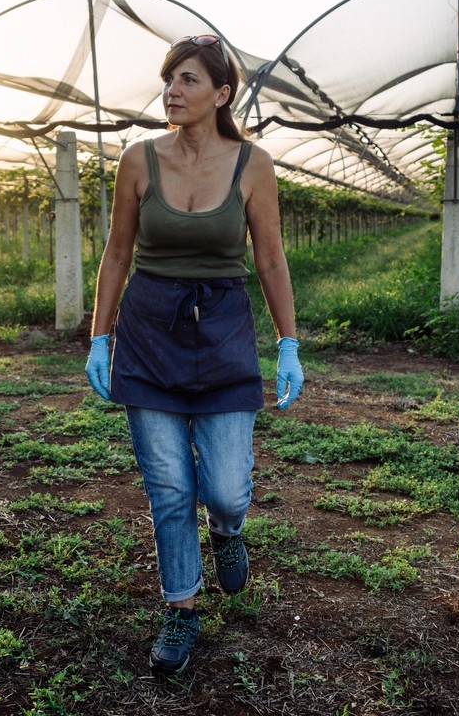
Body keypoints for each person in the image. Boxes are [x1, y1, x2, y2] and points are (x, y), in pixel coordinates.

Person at [84, 33, 303, 675]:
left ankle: (229, 532)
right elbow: (117, 254)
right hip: (149, 332)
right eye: (168, 79)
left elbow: (268, 257)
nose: (172, 91)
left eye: (187, 80)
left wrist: (288, 343)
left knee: (228, 490)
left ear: (221, 94)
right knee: (170, 489)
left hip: (224, 331)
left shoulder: (253, 164)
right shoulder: (137, 159)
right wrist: (100, 336)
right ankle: (181, 609)